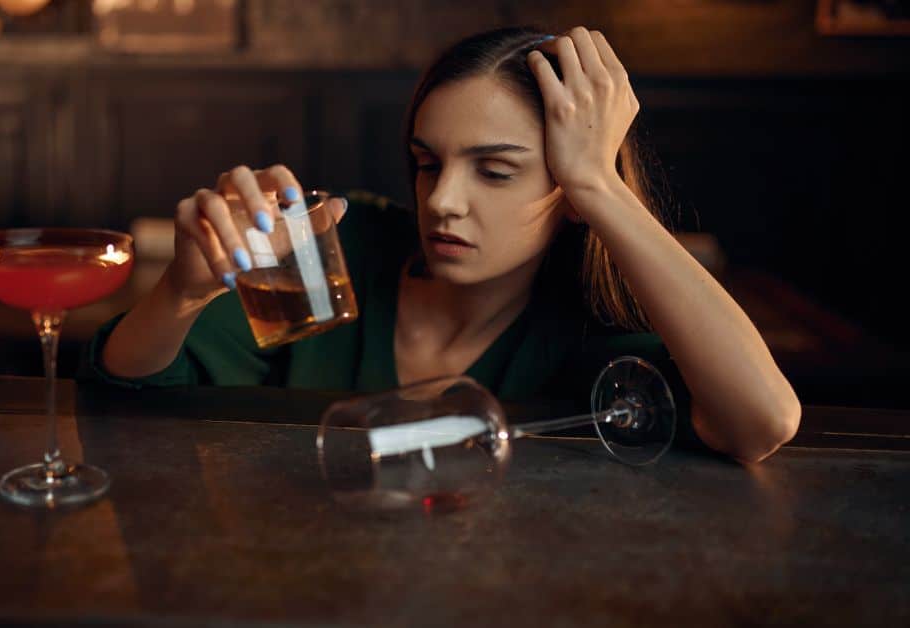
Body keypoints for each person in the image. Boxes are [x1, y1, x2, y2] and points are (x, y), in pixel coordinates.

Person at [87, 26, 800, 463]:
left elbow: (762, 423)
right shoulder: (341, 247)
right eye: (428, 163)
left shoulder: (586, 333)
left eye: (494, 171)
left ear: (571, 197)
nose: (442, 200)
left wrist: (599, 184)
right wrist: (181, 293)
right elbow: (128, 386)